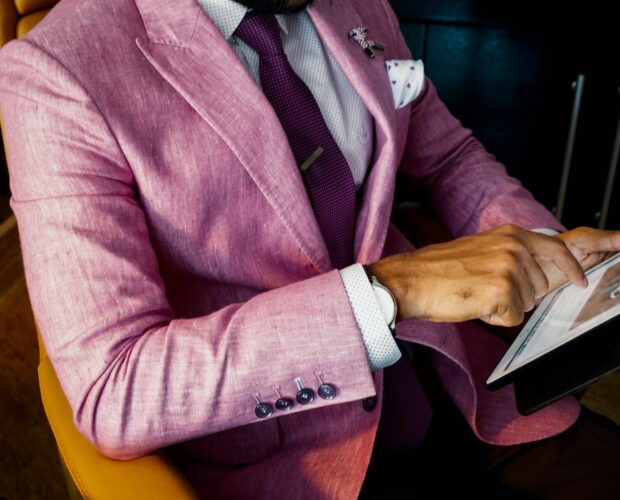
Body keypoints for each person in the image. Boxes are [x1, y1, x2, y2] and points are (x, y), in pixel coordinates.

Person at [0, 0, 619, 497]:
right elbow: (116, 388)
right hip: (285, 459)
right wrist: (392, 290)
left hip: (459, 391)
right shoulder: (56, 73)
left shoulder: (360, 6)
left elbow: (449, 157)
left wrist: (546, 251)